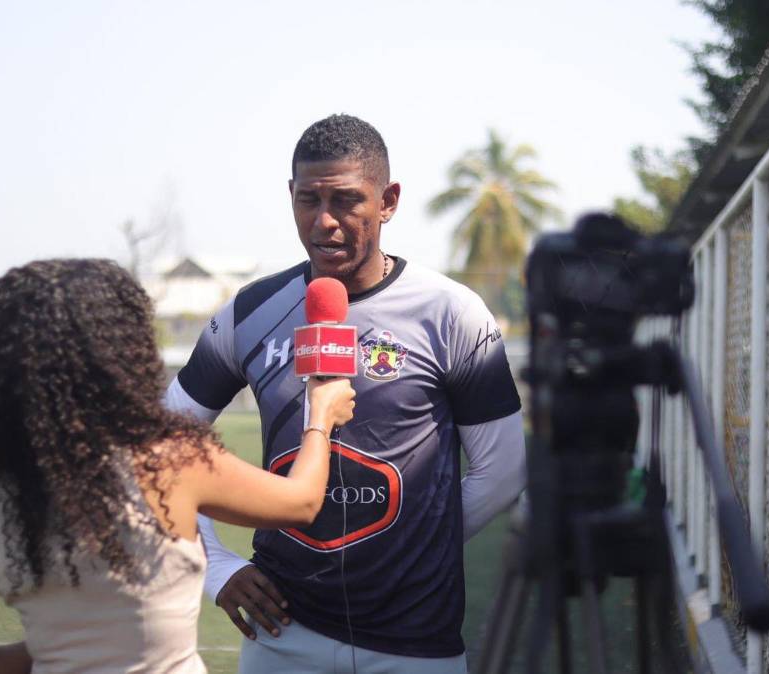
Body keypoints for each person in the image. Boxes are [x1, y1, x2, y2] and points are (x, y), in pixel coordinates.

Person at [165, 114, 527, 671]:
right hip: (280, 632)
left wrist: (414, 547)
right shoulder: (251, 312)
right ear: (290, 196)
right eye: (308, 200)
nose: (325, 221)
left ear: (389, 201)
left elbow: (501, 472)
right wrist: (218, 567)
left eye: (347, 200)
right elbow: (161, 446)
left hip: (415, 640)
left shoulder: (452, 312)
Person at [0, 259, 356, 674]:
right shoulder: (167, 464)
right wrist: (320, 415)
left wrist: (58, 647)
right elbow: (300, 502)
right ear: (121, 359)